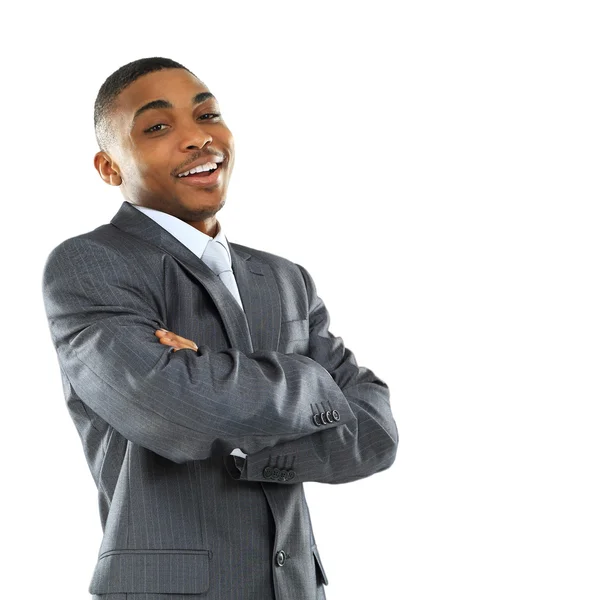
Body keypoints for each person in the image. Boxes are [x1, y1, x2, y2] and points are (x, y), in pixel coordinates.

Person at [41, 56, 399, 600]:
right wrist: (314, 380)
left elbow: (376, 434)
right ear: (109, 167)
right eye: (157, 127)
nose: (196, 138)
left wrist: (222, 393)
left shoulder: (285, 278)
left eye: (207, 115)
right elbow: (170, 406)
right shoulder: (90, 264)